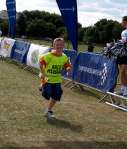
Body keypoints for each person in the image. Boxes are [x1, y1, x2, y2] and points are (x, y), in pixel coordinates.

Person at [39, 38, 72, 119]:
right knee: (47, 94)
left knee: (56, 96)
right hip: (47, 79)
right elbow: (41, 62)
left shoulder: (64, 56)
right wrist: (43, 73)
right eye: (57, 45)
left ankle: (48, 110)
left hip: (57, 80)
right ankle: (42, 86)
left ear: (63, 46)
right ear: (53, 46)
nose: (59, 46)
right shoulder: (49, 55)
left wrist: (68, 68)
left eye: (61, 44)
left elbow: (67, 65)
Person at [116, 16, 127, 97]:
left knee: (123, 71)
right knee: (121, 71)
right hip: (121, 54)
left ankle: (126, 91)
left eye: (122, 21)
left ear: (125, 22)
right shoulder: (123, 32)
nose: (121, 23)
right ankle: (122, 90)